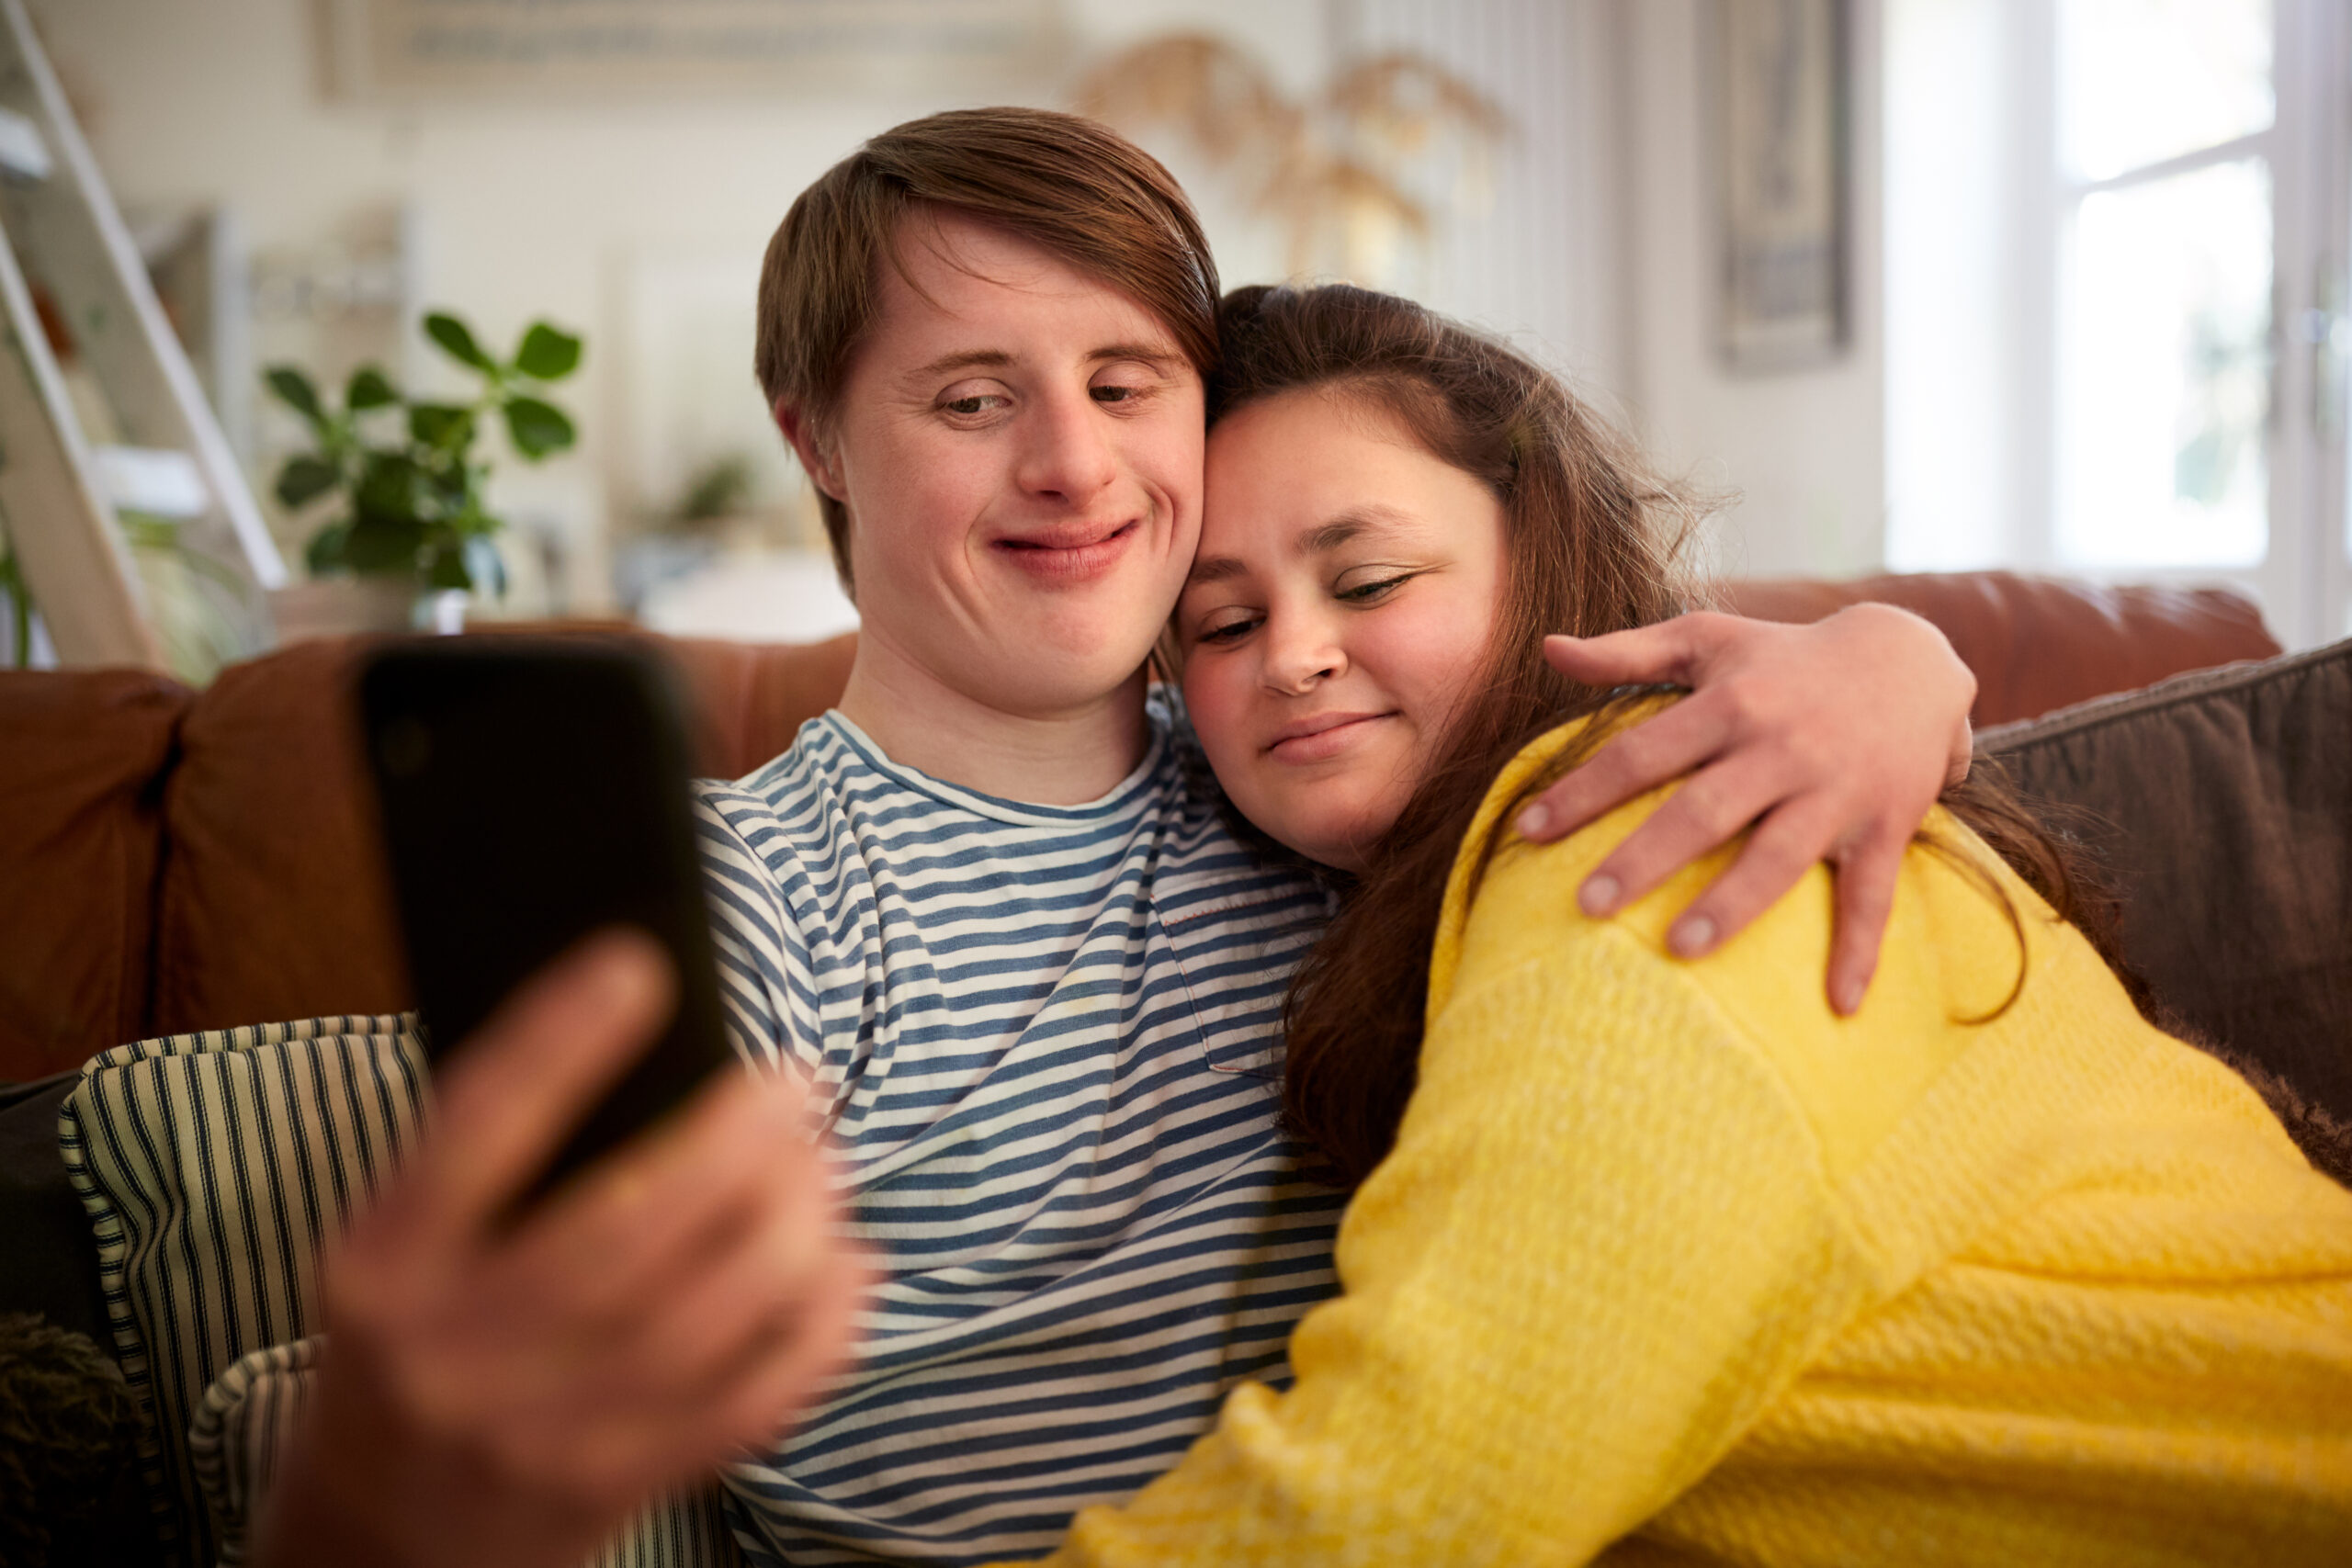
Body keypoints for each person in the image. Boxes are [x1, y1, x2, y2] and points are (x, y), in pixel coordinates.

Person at [258, 108, 1980, 1568]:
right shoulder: (755, 898)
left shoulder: (1316, 778)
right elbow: (517, 1411)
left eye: (1124, 379)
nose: (1075, 465)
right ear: (817, 441)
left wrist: (1899, 664)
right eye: (971, 400)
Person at [985, 281, 2352, 1566]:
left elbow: (1396, 1494)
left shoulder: (1656, 852)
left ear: (1543, 561)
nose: (1291, 656)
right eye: (1222, 623)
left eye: (1371, 581)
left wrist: (1905, 652)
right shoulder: (1378, 880)